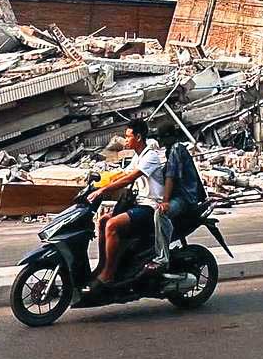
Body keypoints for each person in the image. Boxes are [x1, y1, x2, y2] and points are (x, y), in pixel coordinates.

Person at [86, 118, 165, 291]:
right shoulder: (138, 156)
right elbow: (122, 173)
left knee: (112, 225)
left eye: (128, 136)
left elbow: (130, 178)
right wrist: (99, 181)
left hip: (150, 207)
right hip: (138, 203)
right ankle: (103, 264)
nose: (125, 139)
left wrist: (102, 191)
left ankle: (109, 273)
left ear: (138, 137)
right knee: (103, 221)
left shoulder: (150, 156)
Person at [145, 134, 208, 275]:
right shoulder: (172, 150)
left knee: (161, 213)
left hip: (184, 198)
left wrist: (165, 201)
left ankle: (162, 258)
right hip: (181, 196)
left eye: (161, 138)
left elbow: (170, 177)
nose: (159, 141)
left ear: (167, 136)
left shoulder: (175, 149)